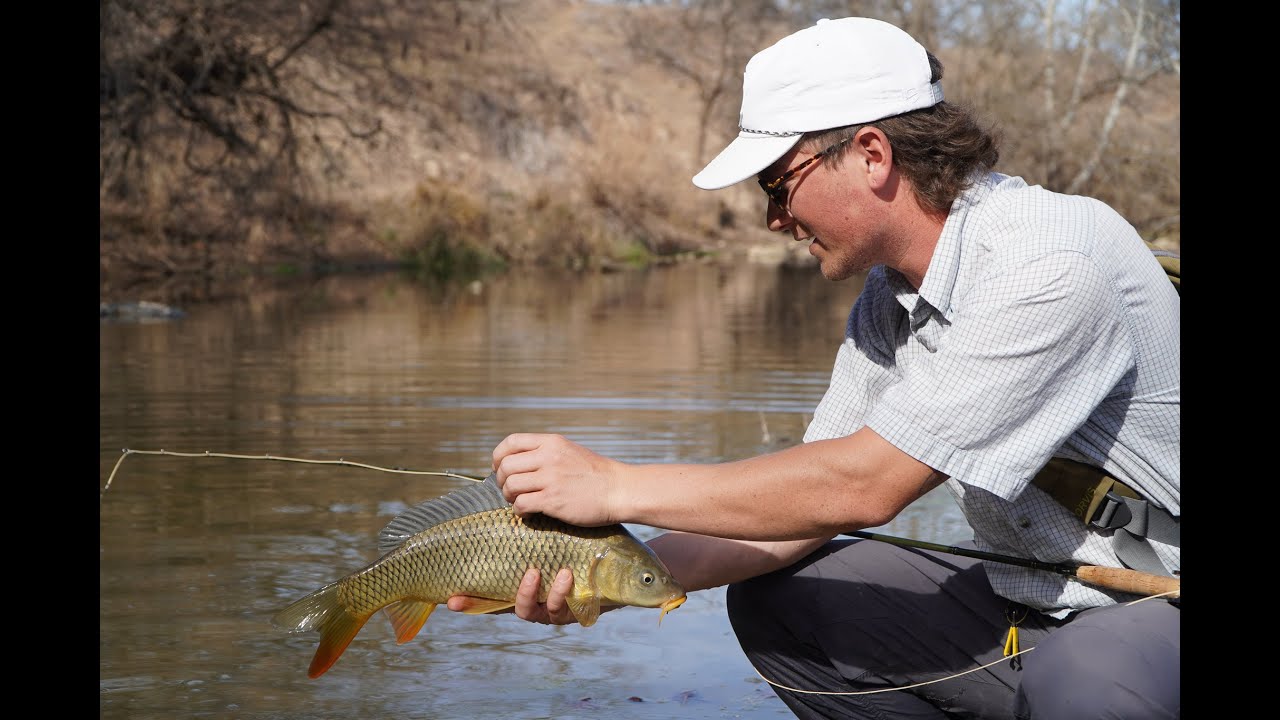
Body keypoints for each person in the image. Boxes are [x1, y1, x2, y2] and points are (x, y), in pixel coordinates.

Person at [448, 16, 1179, 720]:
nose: (772, 217)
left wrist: (612, 486)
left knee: (1088, 685)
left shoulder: (1049, 262)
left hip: (1155, 611)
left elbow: (863, 485)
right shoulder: (888, 295)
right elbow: (802, 512)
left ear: (871, 154)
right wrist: (609, 582)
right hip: (1039, 606)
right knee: (786, 597)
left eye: (777, 182)